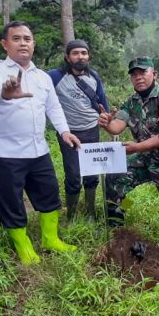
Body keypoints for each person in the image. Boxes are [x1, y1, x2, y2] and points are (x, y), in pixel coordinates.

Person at [0, 21, 81, 265]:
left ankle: (50, 238)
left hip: (38, 150)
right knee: (11, 200)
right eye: (16, 38)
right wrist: (7, 92)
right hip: (5, 152)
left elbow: (53, 106)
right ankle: (22, 244)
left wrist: (65, 131)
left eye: (27, 38)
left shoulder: (42, 77)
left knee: (49, 194)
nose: (23, 42)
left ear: (33, 44)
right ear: (5, 44)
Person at [98, 57, 159, 241]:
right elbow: (117, 126)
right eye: (134, 74)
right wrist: (107, 124)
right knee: (114, 178)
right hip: (143, 159)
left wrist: (137, 147)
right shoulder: (131, 102)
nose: (138, 77)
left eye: (142, 72)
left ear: (154, 74)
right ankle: (117, 230)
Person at [48, 39, 109, 221]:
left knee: (91, 174)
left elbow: (102, 103)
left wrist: (106, 117)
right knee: (73, 175)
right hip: (69, 133)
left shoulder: (94, 77)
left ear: (88, 56)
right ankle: (72, 215)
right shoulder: (55, 76)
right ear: (67, 57)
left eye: (84, 53)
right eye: (75, 53)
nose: (80, 56)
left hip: (92, 130)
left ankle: (90, 212)